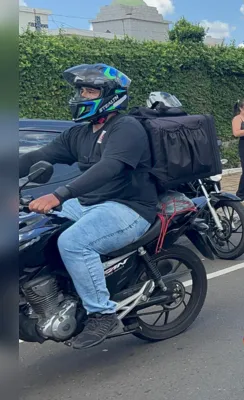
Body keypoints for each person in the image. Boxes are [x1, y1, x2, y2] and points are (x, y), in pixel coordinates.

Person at [19, 63, 158, 349]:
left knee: (73, 241)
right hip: (88, 205)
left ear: (110, 96)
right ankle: (54, 295)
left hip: (128, 208)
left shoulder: (127, 128)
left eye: (90, 90)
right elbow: (39, 155)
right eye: (81, 90)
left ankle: (102, 313)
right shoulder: (79, 133)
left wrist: (59, 195)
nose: (82, 95)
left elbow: (109, 168)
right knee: (31, 228)